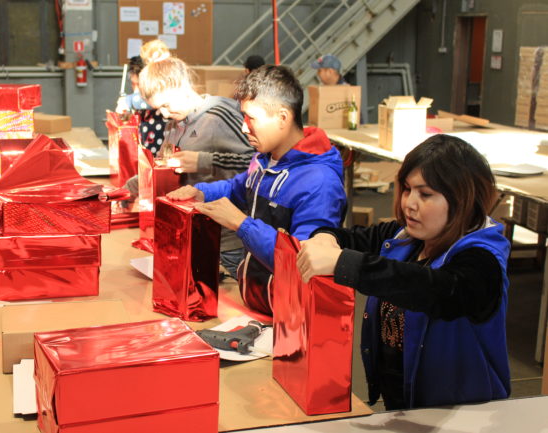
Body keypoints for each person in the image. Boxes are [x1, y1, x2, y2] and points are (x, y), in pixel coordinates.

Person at [296, 134, 511, 410]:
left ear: (462, 199)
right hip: (404, 405)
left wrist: (345, 264)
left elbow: (435, 290)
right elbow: (350, 237)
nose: (409, 203)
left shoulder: (482, 261)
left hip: (462, 416)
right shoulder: (406, 236)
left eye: (425, 194)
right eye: (407, 189)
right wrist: (326, 237)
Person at [167, 65, 346, 315]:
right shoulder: (266, 158)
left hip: (288, 319)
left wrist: (242, 224)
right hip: (257, 304)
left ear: (282, 118)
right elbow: (239, 187)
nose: (243, 128)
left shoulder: (320, 183)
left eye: (251, 118)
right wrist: (202, 193)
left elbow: (304, 263)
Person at [133, 54, 256, 279]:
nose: (164, 114)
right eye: (158, 109)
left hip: (226, 244)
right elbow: (159, 166)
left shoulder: (219, 115)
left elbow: (256, 166)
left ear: (180, 85)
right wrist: (127, 188)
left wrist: (204, 161)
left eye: (166, 105)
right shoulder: (173, 125)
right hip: (193, 235)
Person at [116, 55, 166, 156]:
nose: (136, 90)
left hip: (159, 149)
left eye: (139, 85)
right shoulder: (136, 101)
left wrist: (128, 100)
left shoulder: (161, 95)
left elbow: (147, 102)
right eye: (133, 84)